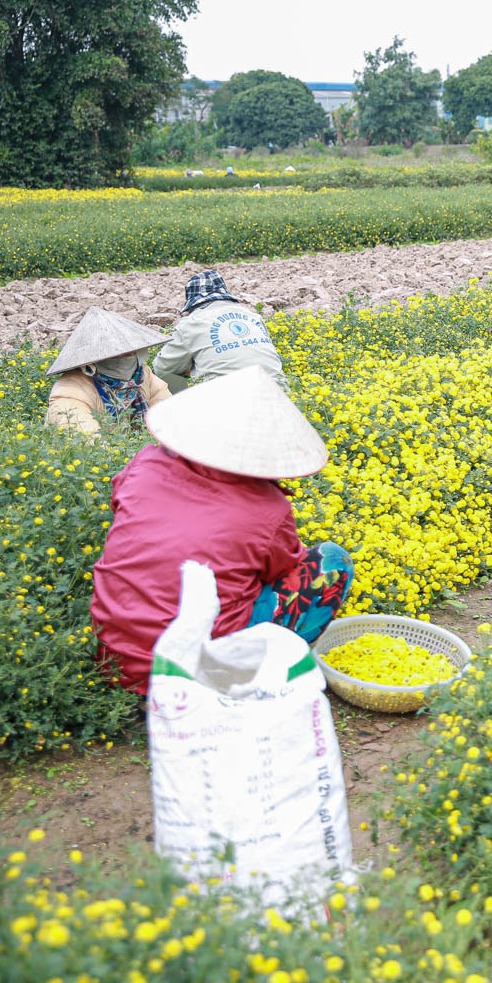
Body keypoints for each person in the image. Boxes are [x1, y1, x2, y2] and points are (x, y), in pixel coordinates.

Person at [91, 365, 354, 695]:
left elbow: (123, 509)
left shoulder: (145, 464)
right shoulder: (268, 509)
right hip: (202, 673)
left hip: (117, 661)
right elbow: (283, 570)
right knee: (331, 562)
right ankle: (253, 672)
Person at [152, 269, 288, 391]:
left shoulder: (191, 323)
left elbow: (162, 368)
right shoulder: (252, 316)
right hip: (280, 394)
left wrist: (189, 368)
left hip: (227, 399)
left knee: (169, 377)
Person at [45, 307, 173, 436]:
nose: (125, 358)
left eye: (129, 353)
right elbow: (88, 444)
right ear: (93, 359)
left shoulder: (142, 377)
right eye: (116, 355)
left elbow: (172, 418)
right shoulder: (70, 392)